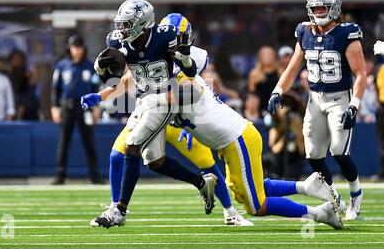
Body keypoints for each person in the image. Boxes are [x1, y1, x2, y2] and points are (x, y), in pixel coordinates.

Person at [84, 13, 244, 226]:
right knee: (137, 159)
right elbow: (128, 78)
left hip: (177, 113)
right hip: (147, 108)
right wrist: (102, 95)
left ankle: (231, 212)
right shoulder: (148, 46)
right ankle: (117, 205)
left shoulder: (192, 55)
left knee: (206, 162)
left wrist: (190, 124)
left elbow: (195, 88)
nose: (174, 43)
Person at [171, 68, 343, 229]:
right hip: (236, 138)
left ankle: (320, 213)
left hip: (237, 139)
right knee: (241, 193)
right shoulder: (176, 76)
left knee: (256, 206)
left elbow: (193, 83)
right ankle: (306, 187)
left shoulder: (178, 79)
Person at [267, 0, 366, 221]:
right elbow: (293, 68)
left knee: (340, 152)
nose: (319, 12)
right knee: (312, 154)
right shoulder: (304, 32)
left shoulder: (347, 33)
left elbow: (361, 73)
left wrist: (355, 105)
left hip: (340, 97)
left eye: (323, 7)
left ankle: (356, 194)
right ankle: (333, 197)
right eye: (315, 8)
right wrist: (277, 90)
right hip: (315, 99)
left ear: (334, 8)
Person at [51, 34, 103, 185]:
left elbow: (96, 87)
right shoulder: (62, 66)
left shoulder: (89, 66)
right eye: (74, 47)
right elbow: (56, 89)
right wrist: (54, 107)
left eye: (79, 47)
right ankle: (60, 175)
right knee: (63, 142)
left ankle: (94, 175)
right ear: (70, 48)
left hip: (85, 107)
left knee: (89, 142)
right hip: (67, 106)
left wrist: (96, 108)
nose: (77, 50)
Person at [248, 46, 279, 114]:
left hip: (277, 104)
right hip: (260, 105)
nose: (267, 57)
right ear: (260, 57)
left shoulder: (279, 71)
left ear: (274, 56)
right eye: (265, 55)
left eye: (269, 54)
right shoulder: (254, 73)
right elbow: (251, 93)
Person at [373, 40, 384, 180]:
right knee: (382, 143)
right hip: (382, 108)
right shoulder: (380, 68)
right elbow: (377, 88)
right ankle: (382, 171)